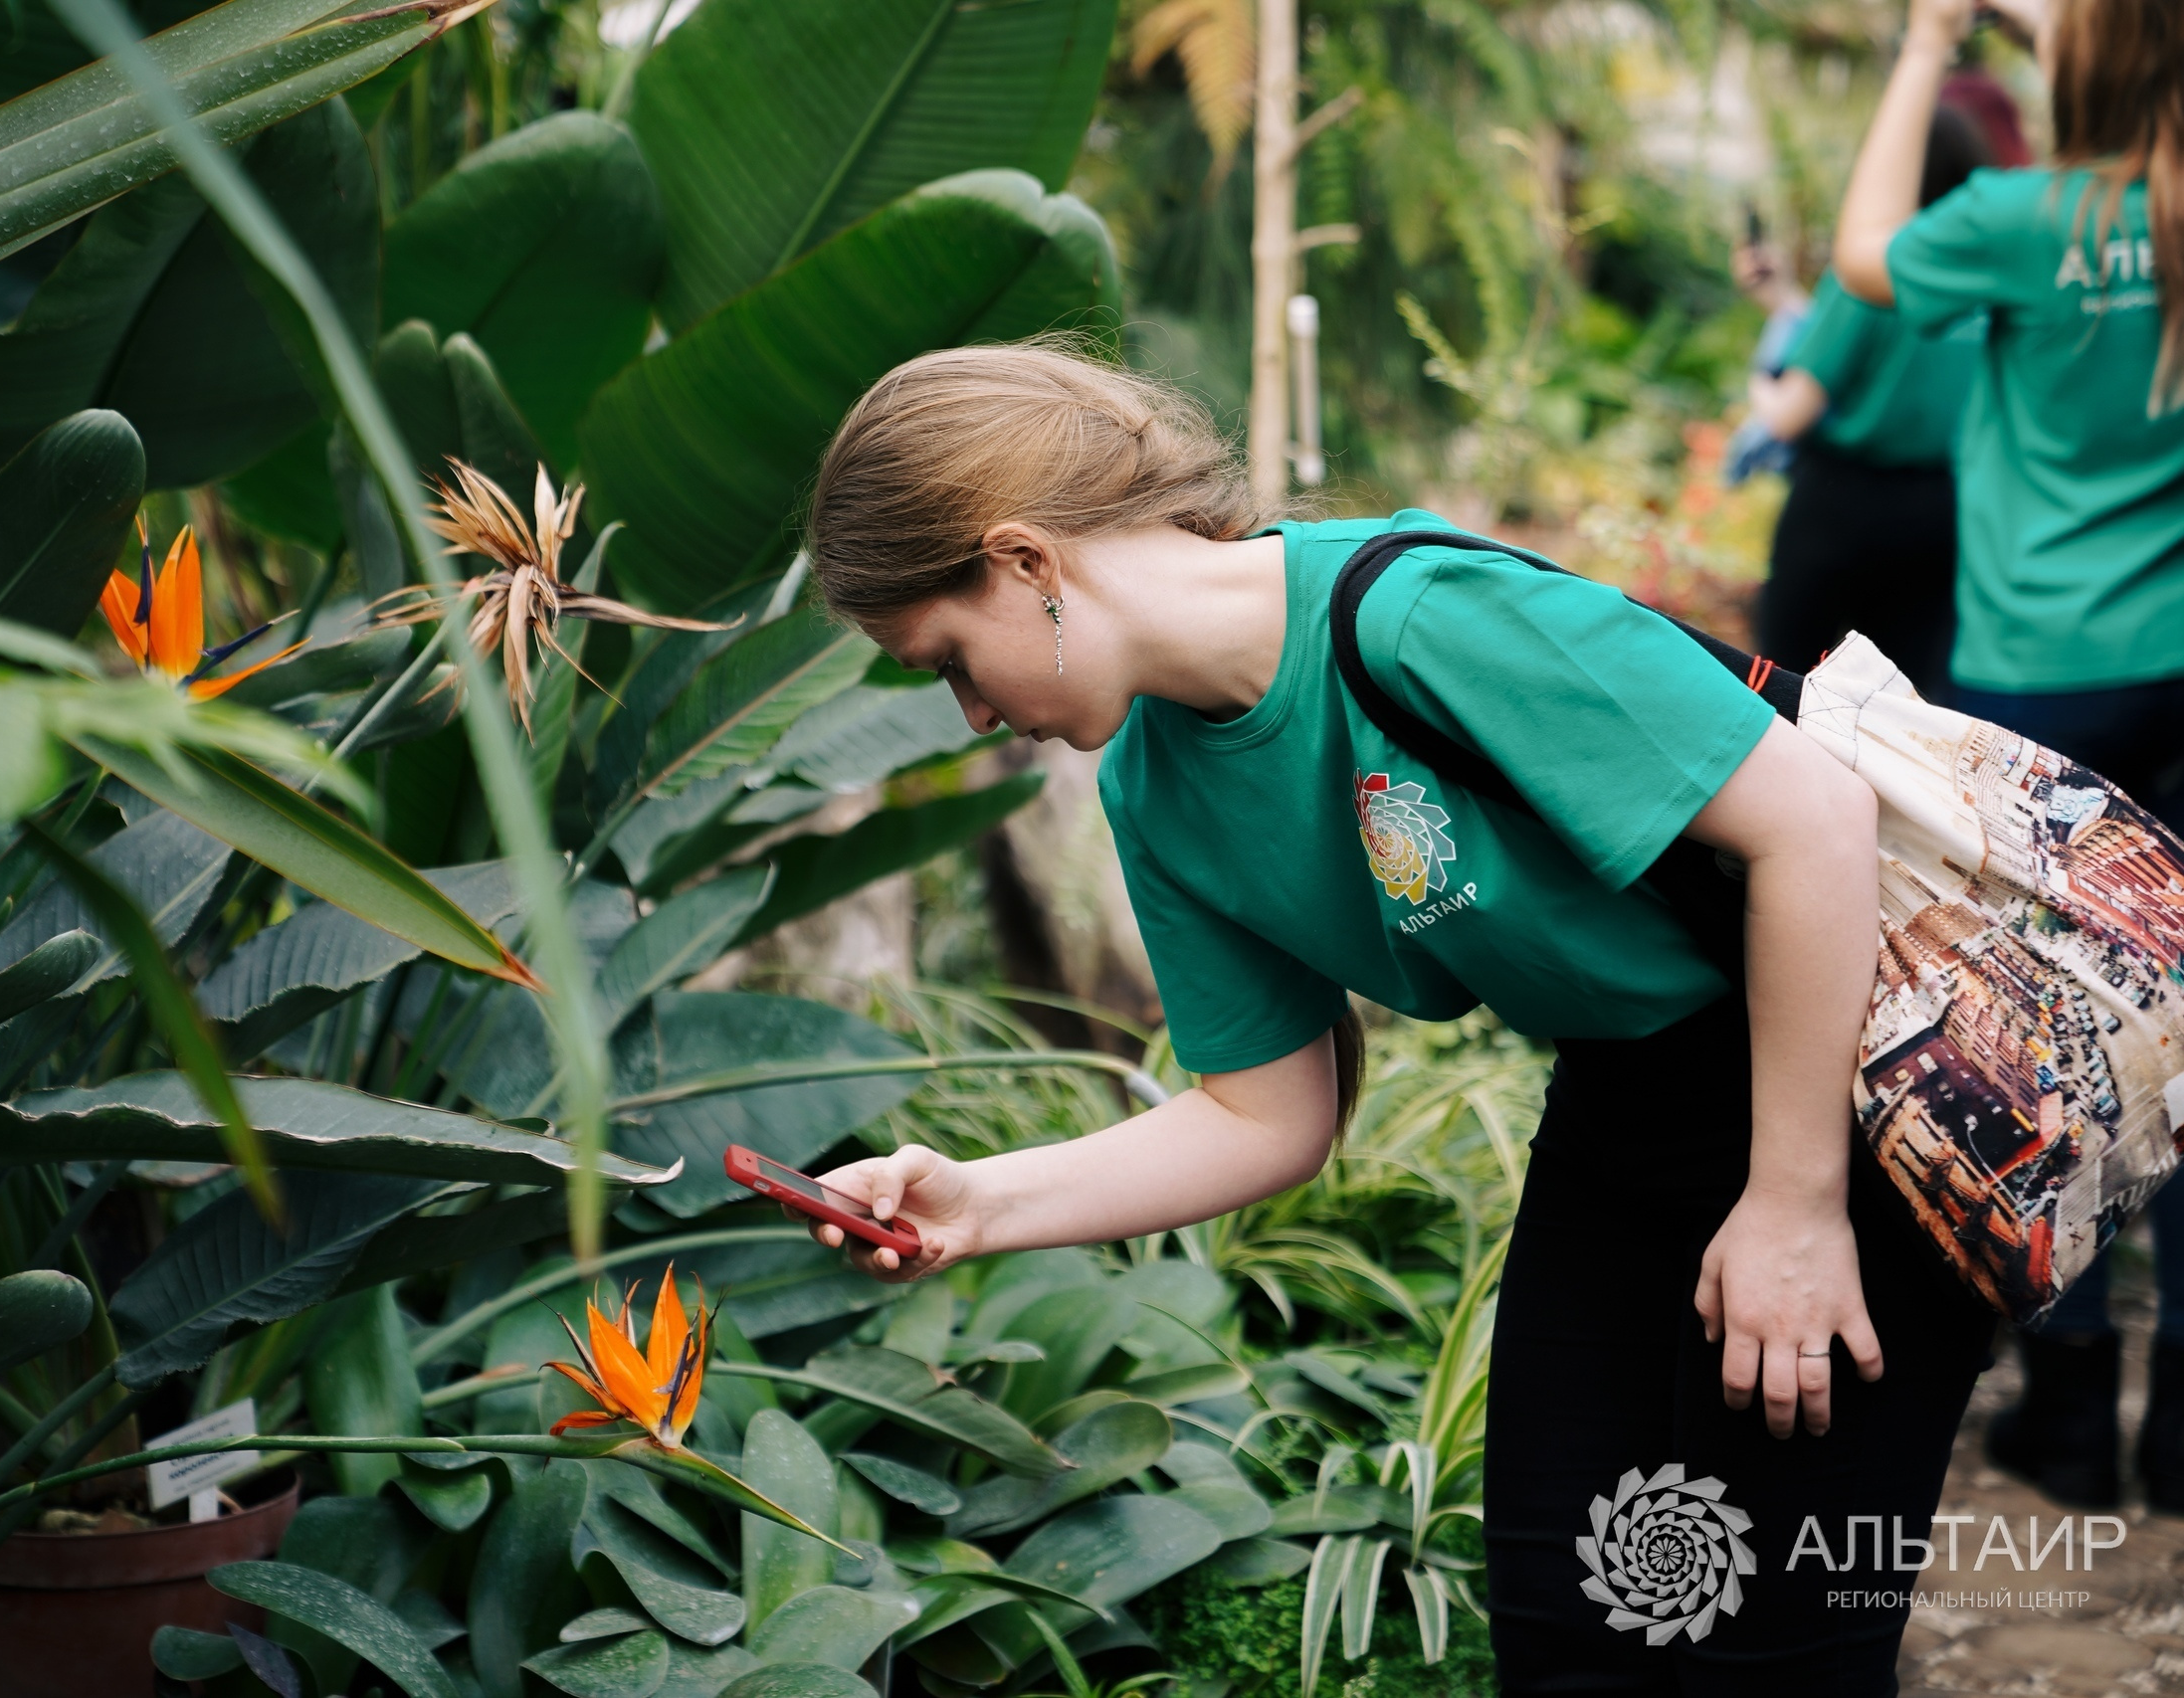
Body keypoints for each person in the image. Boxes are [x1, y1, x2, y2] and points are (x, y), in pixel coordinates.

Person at [794, 342, 1997, 1692]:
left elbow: (1811, 822)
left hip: (1845, 1079)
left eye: (947, 657)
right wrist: (975, 1202)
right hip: (1621, 1099)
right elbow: (1267, 1112)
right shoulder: (1157, 785)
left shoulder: (1418, 616)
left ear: (1021, 561)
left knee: (1781, 1646)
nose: (969, 711)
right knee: (1570, 1621)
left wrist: (1791, 1201)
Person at [1835, 0, 2184, 1513]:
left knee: (2047, 1045)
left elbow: (1861, 257)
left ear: (2074, 65)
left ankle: (2066, 1416)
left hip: (2044, 679)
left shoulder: (2018, 217)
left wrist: (1926, 41)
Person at [1746, 105, 1993, 692]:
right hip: (1944, 514)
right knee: (1908, 713)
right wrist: (1783, 303)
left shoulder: (1868, 270)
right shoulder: (1986, 272)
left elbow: (1788, 414)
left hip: (1839, 510)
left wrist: (1760, 376)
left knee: (1788, 691)